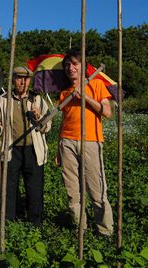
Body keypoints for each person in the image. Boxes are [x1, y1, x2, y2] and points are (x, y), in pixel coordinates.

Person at [56, 50, 113, 235]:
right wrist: (59, 147)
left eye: (74, 64)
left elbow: (107, 112)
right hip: (67, 142)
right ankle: (81, 229)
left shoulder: (96, 84)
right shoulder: (65, 92)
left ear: (83, 66)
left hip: (91, 142)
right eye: (67, 65)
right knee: (72, 191)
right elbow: (64, 121)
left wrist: (86, 98)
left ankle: (105, 230)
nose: (71, 68)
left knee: (96, 189)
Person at [0, 66, 51, 226]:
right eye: (19, 78)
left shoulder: (37, 99)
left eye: (26, 78)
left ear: (30, 81)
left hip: (33, 150)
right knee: (9, 189)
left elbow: (47, 127)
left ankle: (35, 223)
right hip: (11, 150)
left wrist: (39, 117)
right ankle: (9, 222)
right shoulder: (3, 100)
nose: (22, 82)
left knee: (34, 189)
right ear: (13, 80)